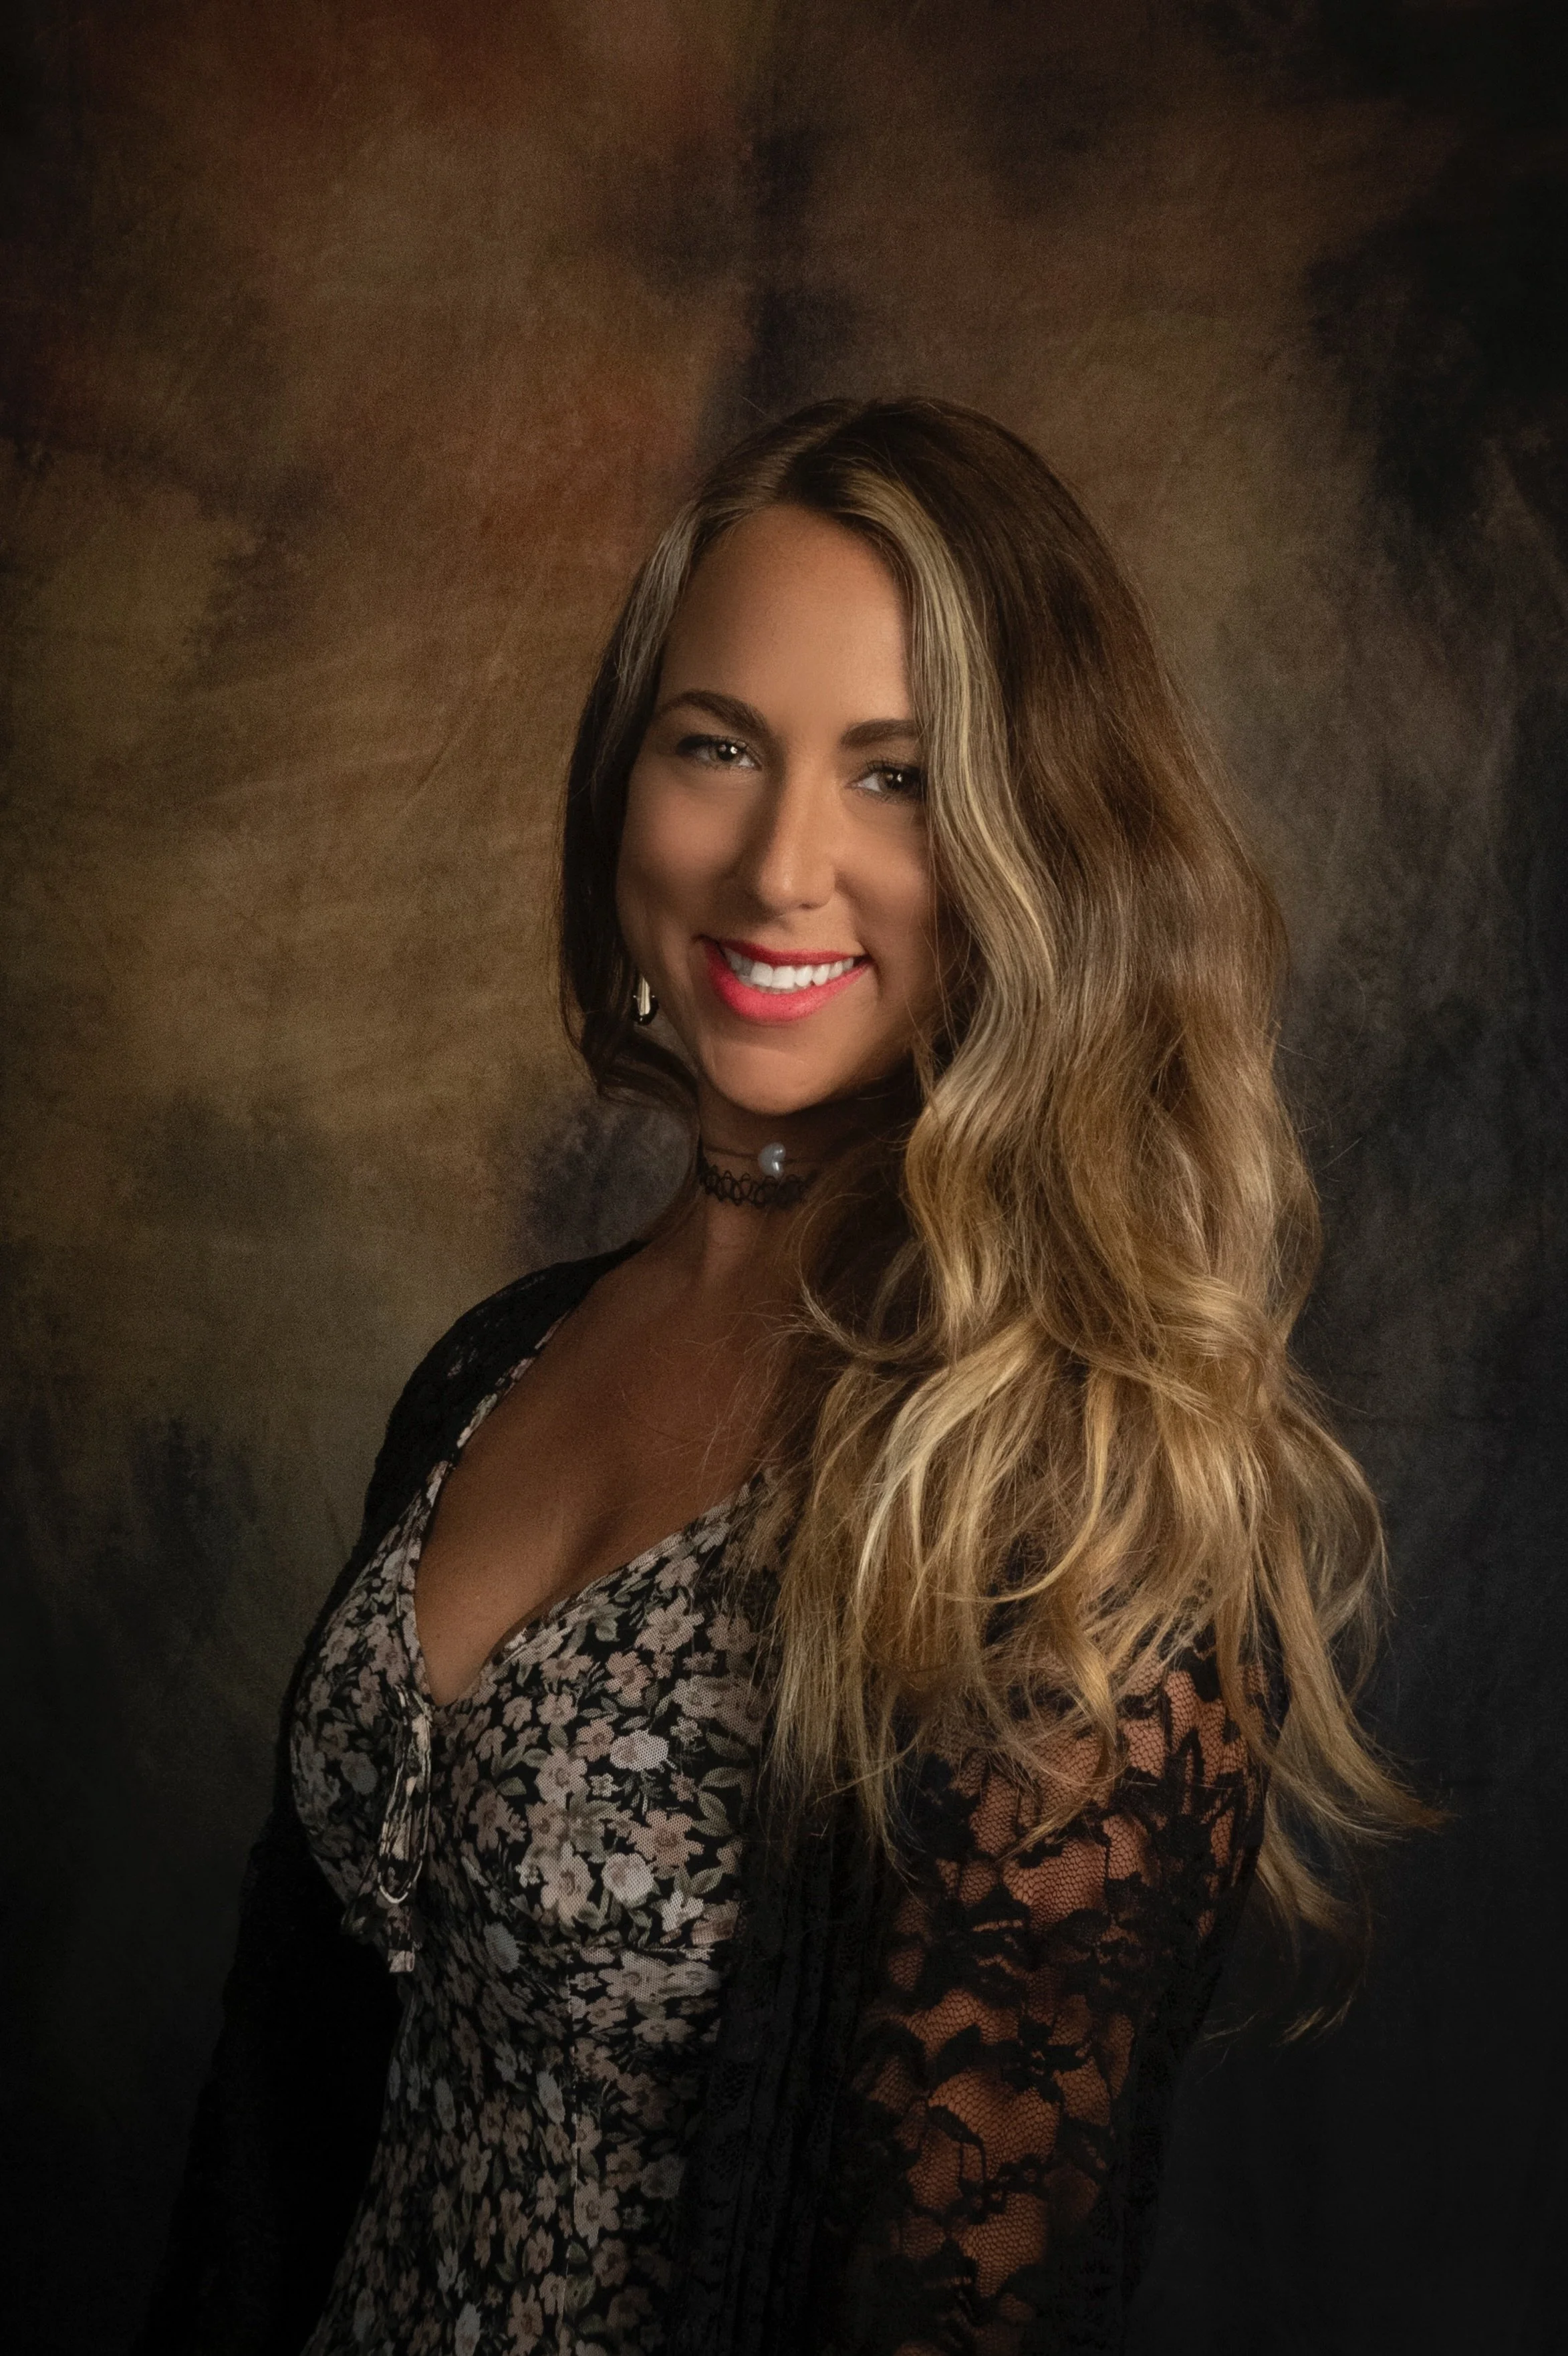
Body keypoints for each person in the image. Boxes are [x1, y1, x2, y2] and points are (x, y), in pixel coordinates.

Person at [138, 398, 1417, 2356]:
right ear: (625, 783)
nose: (778, 861)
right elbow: (286, 2124)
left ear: (1032, 845)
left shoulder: (1066, 1505)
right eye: (716, 745)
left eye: (896, 776)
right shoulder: (494, 1364)